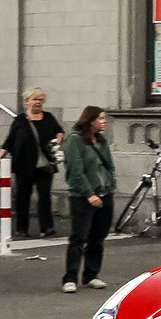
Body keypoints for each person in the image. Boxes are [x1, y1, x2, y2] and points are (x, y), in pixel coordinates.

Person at [61, 105, 115, 293]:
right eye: (100, 118)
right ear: (91, 120)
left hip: (105, 193)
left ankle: (91, 274)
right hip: (82, 196)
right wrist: (89, 194)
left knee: (98, 237)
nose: (104, 122)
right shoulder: (75, 141)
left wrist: (109, 184)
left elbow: (108, 165)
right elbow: (75, 171)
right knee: (79, 237)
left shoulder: (102, 141)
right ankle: (70, 278)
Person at [0, 89, 62, 239]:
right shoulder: (20, 120)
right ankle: (22, 228)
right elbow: (10, 141)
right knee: (22, 196)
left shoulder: (48, 118)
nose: (38, 102)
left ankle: (46, 227)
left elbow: (59, 132)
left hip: (44, 164)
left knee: (44, 196)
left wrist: (57, 141)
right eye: (34, 99)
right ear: (27, 102)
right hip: (23, 164)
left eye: (40, 99)